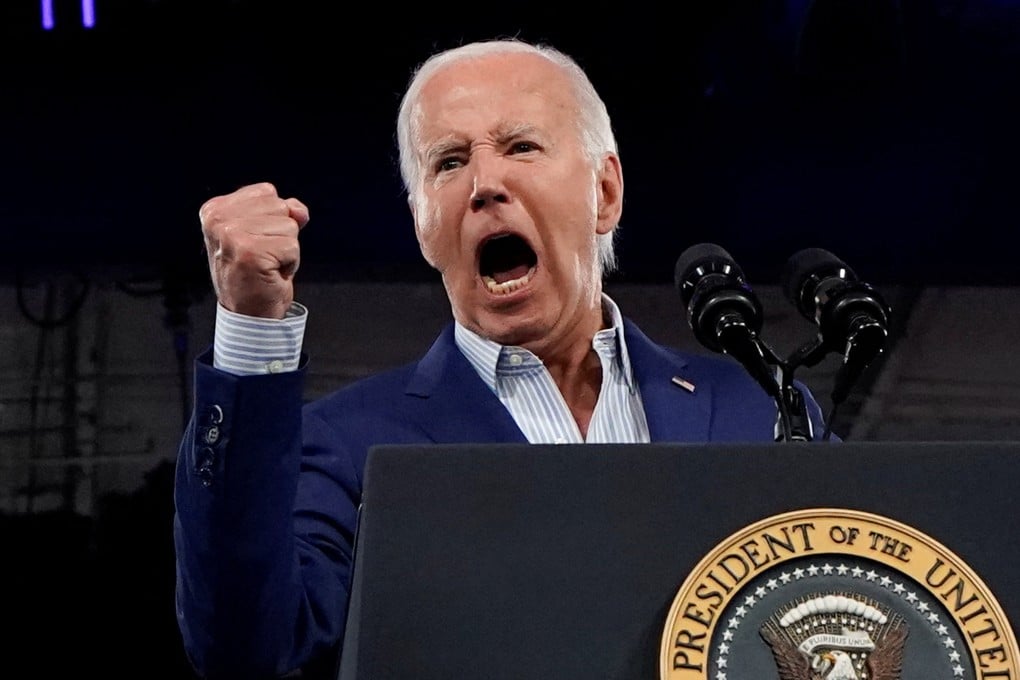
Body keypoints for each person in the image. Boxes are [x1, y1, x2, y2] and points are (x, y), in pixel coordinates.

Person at [173, 38, 832, 679]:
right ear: (422, 225)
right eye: (449, 162)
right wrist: (251, 328)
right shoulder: (347, 444)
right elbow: (244, 645)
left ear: (605, 193)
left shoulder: (760, 410)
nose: (485, 183)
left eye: (521, 147)